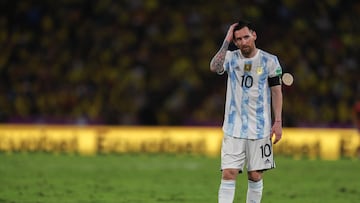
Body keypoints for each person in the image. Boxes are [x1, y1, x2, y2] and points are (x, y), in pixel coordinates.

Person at [210, 20, 283, 203]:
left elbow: (276, 92)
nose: (243, 42)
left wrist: (278, 121)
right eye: (238, 39)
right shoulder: (230, 58)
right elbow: (214, 67)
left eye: (246, 37)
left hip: (260, 129)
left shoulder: (270, 61)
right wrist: (226, 39)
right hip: (234, 128)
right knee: (229, 172)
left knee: (255, 175)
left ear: (254, 35)